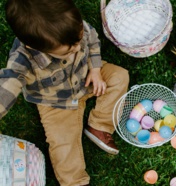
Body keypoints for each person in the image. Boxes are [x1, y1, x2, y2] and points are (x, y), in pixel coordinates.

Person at [3, 0, 129, 185]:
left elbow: (92, 39)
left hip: (87, 78)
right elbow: (7, 85)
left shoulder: (73, 26)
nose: (78, 48)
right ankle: (76, 182)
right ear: (35, 47)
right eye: (68, 51)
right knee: (63, 146)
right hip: (55, 103)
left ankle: (99, 125)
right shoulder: (23, 61)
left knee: (119, 76)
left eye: (79, 41)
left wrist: (95, 69)